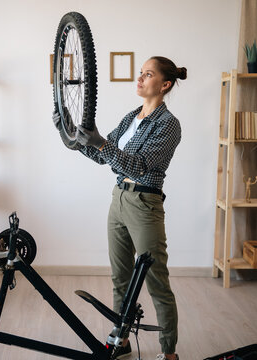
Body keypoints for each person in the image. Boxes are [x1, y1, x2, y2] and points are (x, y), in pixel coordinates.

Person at [53, 56, 186, 360]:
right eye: (140, 73)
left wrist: (101, 143)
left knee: (156, 282)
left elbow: (138, 166)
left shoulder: (169, 125)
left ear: (164, 85)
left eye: (148, 74)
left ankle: (169, 353)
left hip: (145, 204)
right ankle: (120, 341)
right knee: (120, 279)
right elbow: (102, 155)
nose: (139, 79)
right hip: (119, 199)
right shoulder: (131, 117)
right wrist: (68, 134)